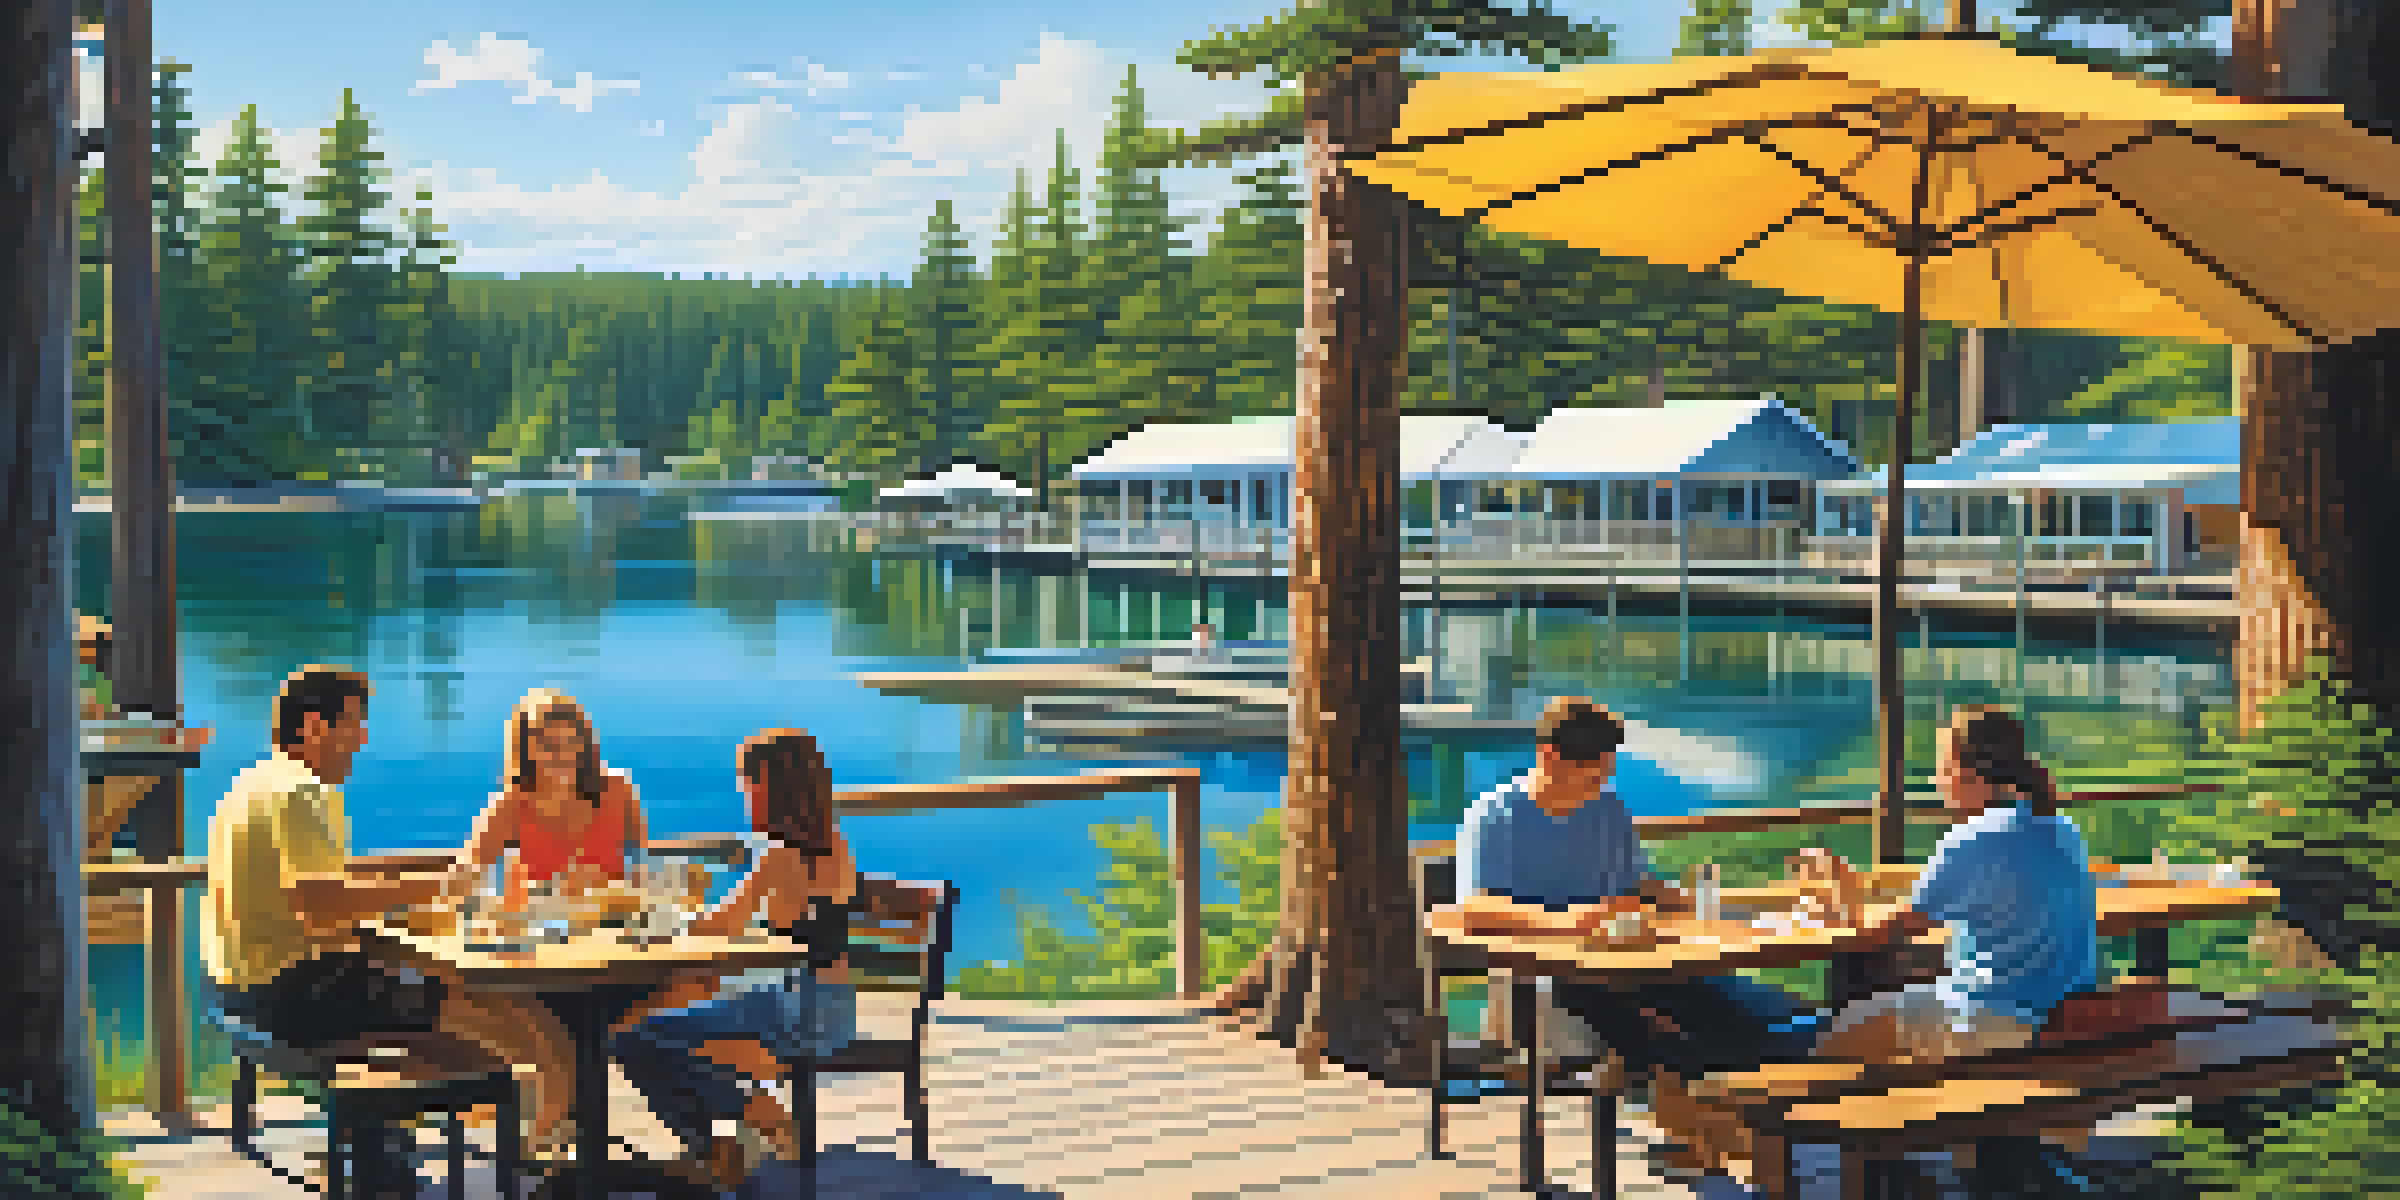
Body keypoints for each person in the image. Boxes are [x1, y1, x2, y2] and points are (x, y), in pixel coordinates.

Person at [1651, 705, 2101, 1179]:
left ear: (1970, 773)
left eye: (1942, 768)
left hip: (1994, 1023)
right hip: (2062, 1019)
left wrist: (1839, 898)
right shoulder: (2061, 829)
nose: (1937, 782)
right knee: (1866, 1024)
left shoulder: (1977, 836)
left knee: (1823, 1045)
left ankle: (1766, 1153)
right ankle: (1881, 1158)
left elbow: (1892, 930)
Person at [199, 666, 582, 1190]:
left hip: (236, 988)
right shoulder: (300, 791)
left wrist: (403, 897)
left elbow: (311, 898)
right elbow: (317, 900)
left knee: (454, 1004)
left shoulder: (252, 783)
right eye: (352, 725)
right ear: (313, 725)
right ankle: (542, 1156)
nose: (360, 741)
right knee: (515, 1022)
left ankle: (380, 1140)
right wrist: (434, 889)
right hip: (292, 993)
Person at [1455, 698, 1816, 1146]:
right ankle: (1713, 1128)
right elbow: (1476, 908)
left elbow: (1638, 885)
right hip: (1553, 974)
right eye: (1594, 770)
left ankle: (1740, 1120)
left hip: (1634, 961)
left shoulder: (1607, 809)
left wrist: (1709, 905)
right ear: (1549, 755)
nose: (1603, 780)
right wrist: (1568, 921)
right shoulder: (1496, 815)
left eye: (1606, 768)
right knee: (1669, 1036)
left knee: (1741, 1009)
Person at [608, 729, 860, 1193]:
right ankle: (724, 1148)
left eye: (747, 781)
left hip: (795, 1010)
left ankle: (745, 1120)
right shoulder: (836, 845)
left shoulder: (780, 855)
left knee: (632, 1036)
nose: (744, 793)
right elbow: (793, 929)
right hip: (836, 1006)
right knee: (667, 1024)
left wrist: (665, 916)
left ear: (768, 786)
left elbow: (719, 927)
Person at [458, 688, 648, 896]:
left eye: (570, 742)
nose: (562, 754)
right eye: (548, 745)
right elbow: (466, 875)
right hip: (535, 915)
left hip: (613, 914)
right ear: (526, 750)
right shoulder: (510, 807)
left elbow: (642, 862)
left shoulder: (618, 791)